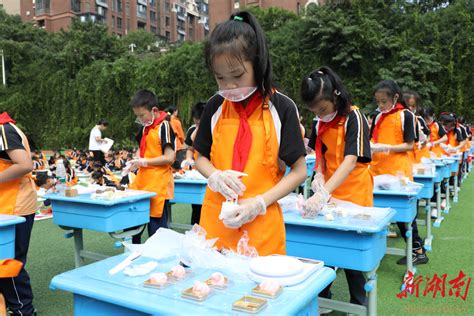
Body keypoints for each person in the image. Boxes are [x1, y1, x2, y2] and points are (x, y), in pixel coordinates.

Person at [194, 11, 307, 256]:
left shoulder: (282, 107)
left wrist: (258, 204)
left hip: (261, 227)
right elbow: (199, 156)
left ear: (257, 64)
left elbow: (299, 171)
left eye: (237, 75)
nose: (229, 86)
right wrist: (215, 176)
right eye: (220, 78)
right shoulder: (215, 106)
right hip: (216, 224)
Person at [301, 66, 372, 306]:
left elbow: (351, 160)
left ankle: (360, 304)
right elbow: (320, 154)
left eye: (321, 109)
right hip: (329, 192)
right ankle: (323, 301)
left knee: (353, 255)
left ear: (335, 96)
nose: (319, 114)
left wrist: (324, 193)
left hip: (354, 191)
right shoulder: (319, 123)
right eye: (313, 110)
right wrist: (318, 176)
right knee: (325, 248)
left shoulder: (355, 117)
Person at [369, 80, 428, 265]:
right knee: (376, 210)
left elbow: (410, 145)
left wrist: (385, 147)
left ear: (395, 97)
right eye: (378, 102)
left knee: (404, 216)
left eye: (384, 101)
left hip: (398, 172)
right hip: (378, 169)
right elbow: (372, 139)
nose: (380, 106)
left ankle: (418, 250)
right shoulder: (378, 117)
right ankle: (374, 251)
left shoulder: (406, 116)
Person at [0, 111, 37, 316]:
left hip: (15, 205)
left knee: (9, 262)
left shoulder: (3, 129)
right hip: (6, 203)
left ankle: (24, 309)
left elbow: (24, 164)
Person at [127, 89, 176, 243]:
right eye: (137, 116)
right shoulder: (145, 128)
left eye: (142, 115)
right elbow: (142, 151)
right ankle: (134, 257)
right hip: (142, 182)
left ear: (154, 110)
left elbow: (170, 157)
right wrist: (135, 162)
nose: (140, 119)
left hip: (159, 185)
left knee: (156, 233)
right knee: (135, 226)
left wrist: (145, 162)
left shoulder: (164, 126)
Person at [183, 101, 206, 225]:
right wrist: (188, 160)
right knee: (196, 204)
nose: (198, 126)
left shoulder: (213, 129)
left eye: (200, 123)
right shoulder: (192, 130)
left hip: (210, 170)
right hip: (197, 173)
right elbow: (190, 149)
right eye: (196, 123)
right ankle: (195, 226)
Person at [404, 91, 431, 163]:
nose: (410, 108)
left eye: (413, 106)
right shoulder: (398, 120)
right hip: (406, 157)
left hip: (421, 156)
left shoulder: (419, 119)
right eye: (408, 105)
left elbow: (428, 135)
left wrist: (424, 142)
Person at [168, 105, 186, 170]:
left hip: (168, 146)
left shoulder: (166, 120)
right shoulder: (176, 122)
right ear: (175, 111)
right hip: (177, 146)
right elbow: (181, 135)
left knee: (170, 165)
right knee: (178, 166)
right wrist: (182, 142)